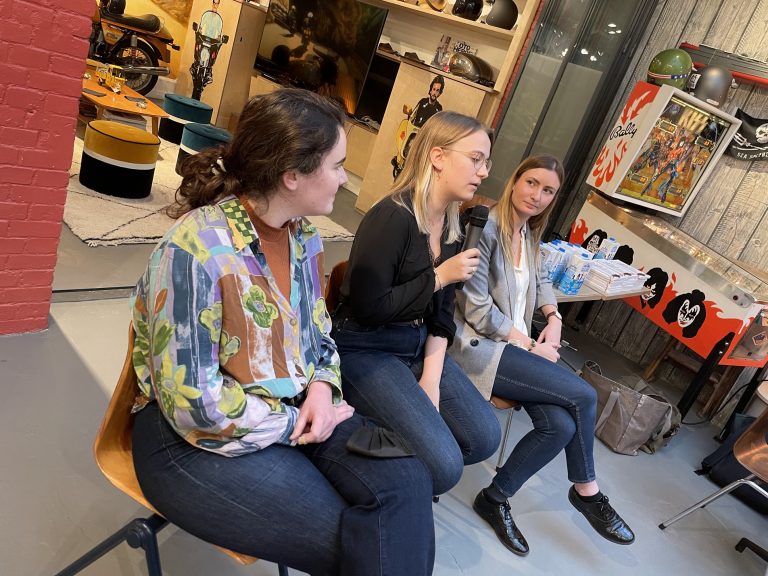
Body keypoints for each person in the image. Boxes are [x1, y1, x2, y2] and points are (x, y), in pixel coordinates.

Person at [130, 88, 435, 576]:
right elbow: (194, 405)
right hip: (189, 438)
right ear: (292, 175)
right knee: (358, 544)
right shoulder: (195, 250)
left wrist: (322, 389)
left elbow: (320, 337)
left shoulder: (304, 237)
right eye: (338, 165)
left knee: (409, 481)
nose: (345, 178)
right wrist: (295, 423)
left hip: (291, 407)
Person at [450, 154, 635, 556]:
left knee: (561, 426)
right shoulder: (486, 229)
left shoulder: (528, 232)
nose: (537, 195)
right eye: (531, 183)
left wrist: (553, 318)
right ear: (515, 180)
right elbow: (476, 310)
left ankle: (494, 498)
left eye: (548, 190)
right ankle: (587, 492)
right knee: (583, 394)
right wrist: (532, 344)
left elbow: (544, 277)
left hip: (517, 347)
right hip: (482, 348)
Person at [332, 111, 501, 496]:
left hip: (416, 343)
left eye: (486, 162)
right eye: (475, 159)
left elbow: (442, 315)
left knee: (483, 437)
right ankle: (358, 446)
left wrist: (431, 379)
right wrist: (440, 276)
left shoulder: (454, 225)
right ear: (438, 157)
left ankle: (400, 447)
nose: (483, 172)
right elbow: (369, 309)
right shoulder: (392, 217)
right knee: (444, 467)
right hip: (366, 347)